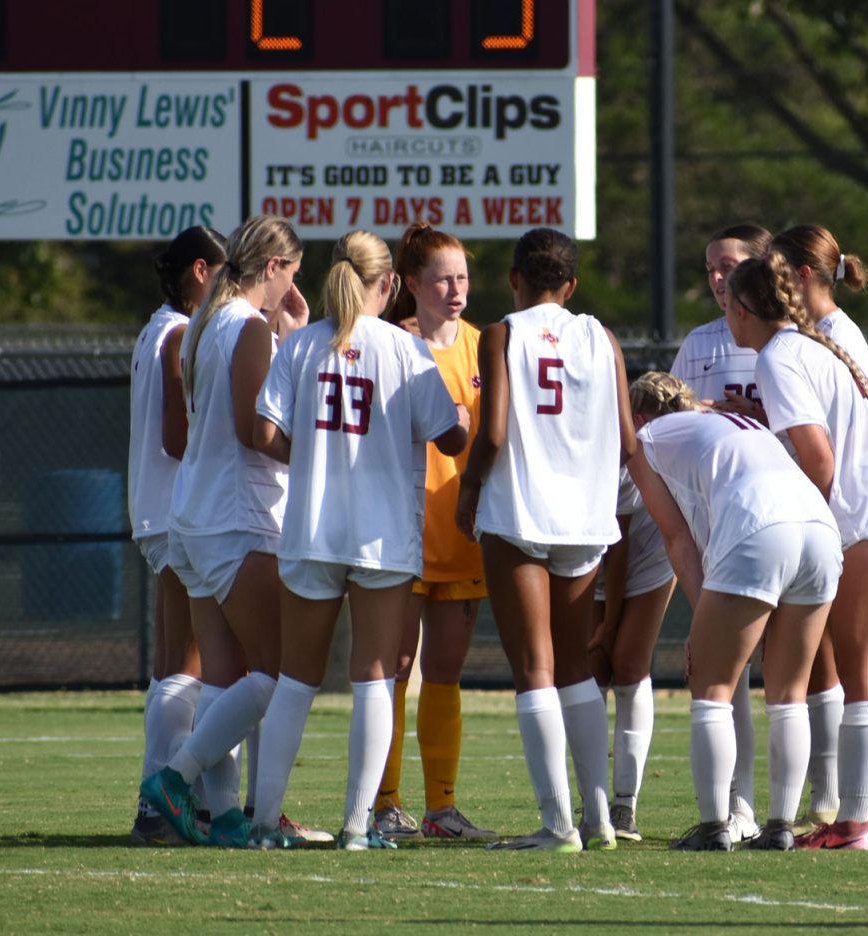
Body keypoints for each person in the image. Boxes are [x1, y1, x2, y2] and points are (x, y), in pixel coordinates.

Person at [247, 230, 468, 850]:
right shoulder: (404, 348)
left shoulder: (301, 345)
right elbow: (450, 439)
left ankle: (264, 822)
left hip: (313, 530)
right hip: (381, 537)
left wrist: (314, 459)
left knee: (297, 677)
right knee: (374, 677)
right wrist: (466, 420)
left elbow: (264, 433)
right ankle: (355, 827)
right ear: (390, 284)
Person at [727, 251, 868, 850]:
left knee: (865, 679)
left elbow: (820, 461)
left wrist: (807, 528)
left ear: (744, 310)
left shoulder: (777, 355)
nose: (726, 321)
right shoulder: (820, 341)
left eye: (728, 309)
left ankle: (852, 825)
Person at [456, 227, 636, 852]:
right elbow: (628, 439)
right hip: (584, 518)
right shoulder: (602, 337)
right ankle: (599, 820)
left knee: (534, 670)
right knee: (576, 669)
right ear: (573, 284)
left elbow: (496, 432)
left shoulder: (503, 333)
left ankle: (558, 827)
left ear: (514, 278)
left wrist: (468, 488)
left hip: (520, 512)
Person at [141, 214, 318, 848]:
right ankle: (175, 779)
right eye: (292, 274)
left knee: (222, 679)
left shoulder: (210, 322)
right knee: (277, 675)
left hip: (193, 516)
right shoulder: (242, 327)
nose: (295, 287)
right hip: (236, 519)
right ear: (272, 267)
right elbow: (256, 431)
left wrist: (286, 331)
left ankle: (228, 819)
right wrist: (322, 458)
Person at [625, 372, 842, 851]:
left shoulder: (643, 438)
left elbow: (676, 537)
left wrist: (706, 623)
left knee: (711, 688)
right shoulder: (729, 422)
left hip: (760, 525)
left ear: (639, 416)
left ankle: (713, 827)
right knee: (789, 692)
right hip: (820, 529)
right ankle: (781, 828)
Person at [370, 223, 497, 843]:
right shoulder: (392, 343)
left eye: (463, 277)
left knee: (444, 672)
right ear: (412, 284)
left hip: (463, 533)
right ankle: (385, 803)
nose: (456, 289)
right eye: (444, 278)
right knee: (395, 668)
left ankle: (441, 809)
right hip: (401, 532)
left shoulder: (483, 346)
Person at [766, 224, 868, 837]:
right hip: (857, 511)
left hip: (849, 514)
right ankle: (852, 810)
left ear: (803, 275)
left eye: (778, 271)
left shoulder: (821, 338)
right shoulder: (829, 335)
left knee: (857, 670)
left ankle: (849, 811)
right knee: (853, 668)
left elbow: (827, 451)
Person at [669, 222, 773, 841]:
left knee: (798, 672)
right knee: (727, 673)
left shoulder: (787, 342)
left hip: (781, 520)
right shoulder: (701, 342)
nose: (716, 278)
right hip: (719, 526)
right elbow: (677, 424)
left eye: (729, 265)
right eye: (709, 266)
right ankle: (742, 805)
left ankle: (827, 805)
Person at [128, 226, 225, 845]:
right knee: (187, 671)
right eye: (224, 274)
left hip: (157, 511)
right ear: (199, 270)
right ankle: (161, 806)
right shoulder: (181, 333)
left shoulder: (154, 327)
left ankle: (169, 805)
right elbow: (176, 438)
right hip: (177, 514)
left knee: (174, 668)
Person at [588, 465, 675, 843]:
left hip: (649, 548)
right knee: (591, 669)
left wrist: (610, 621)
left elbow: (620, 546)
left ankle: (625, 806)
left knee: (628, 664)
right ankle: (592, 804)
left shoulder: (625, 456)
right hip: (587, 548)